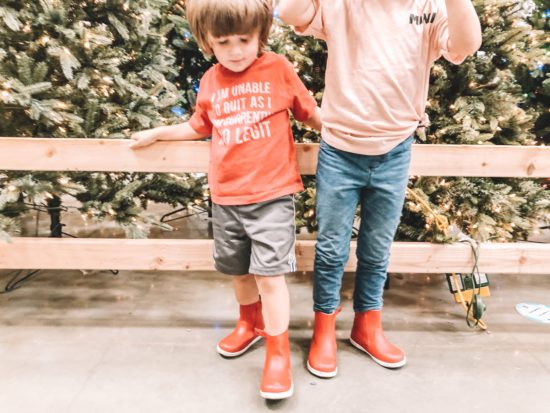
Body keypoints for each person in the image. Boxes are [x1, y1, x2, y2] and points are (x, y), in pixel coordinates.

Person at [277, 0, 481, 377]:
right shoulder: (342, 6)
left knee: (377, 248)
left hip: (394, 150)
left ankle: (367, 325)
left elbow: (465, 45)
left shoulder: (429, 7)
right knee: (331, 249)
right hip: (340, 149)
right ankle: (324, 326)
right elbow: (290, 12)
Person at [130, 0, 320, 400]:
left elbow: (311, 113)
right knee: (237, 271)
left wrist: (343, 133)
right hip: (227, 196)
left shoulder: (278, 69)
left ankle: (278, 352)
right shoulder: (211, 80)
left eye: (244, 40)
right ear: (207, 41)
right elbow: (199, 125)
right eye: (223, 41)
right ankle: (248, 325)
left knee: (270, 276)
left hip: (271, 196)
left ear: (260, 36)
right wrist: (159, 131)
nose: (235, 50)